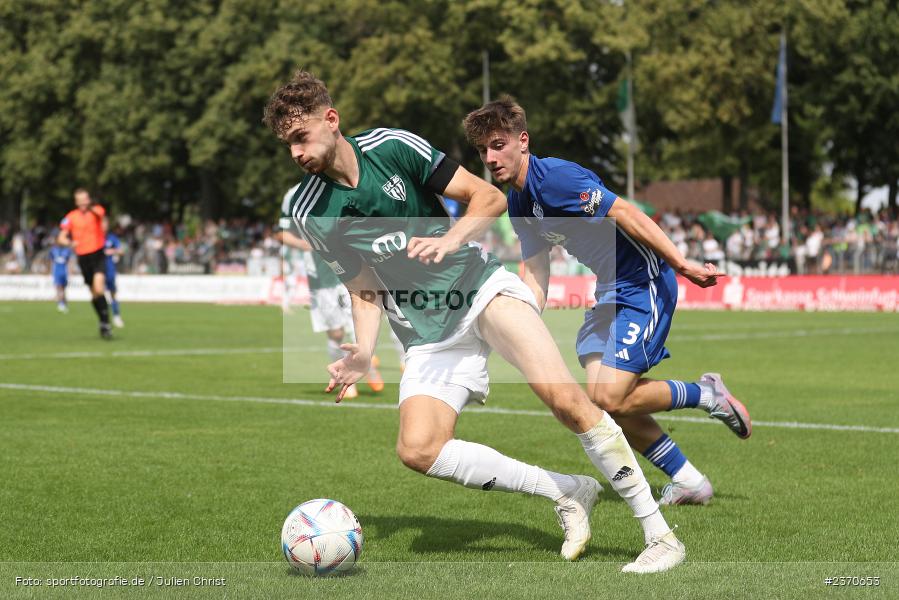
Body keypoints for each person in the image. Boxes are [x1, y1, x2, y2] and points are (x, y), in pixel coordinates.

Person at [263, 71, 684, 572]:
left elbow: (489, 197)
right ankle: (569, 492)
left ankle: (660, 536)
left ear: (331, 121)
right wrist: (361, 351)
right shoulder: (313, 213)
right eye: (287, 143)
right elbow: (362, 286)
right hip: (424, 333)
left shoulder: (392, 147)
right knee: (418, 449)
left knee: (568, 402)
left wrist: (449, 240)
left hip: (481, 290)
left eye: (300, 137)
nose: (295, 152)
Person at [462, 97, 751, 507]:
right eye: (482, 150)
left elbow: (627, 213)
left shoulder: (556, 180)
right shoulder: (519, 203)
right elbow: (535, 270)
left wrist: (681, 263)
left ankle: (706, 395)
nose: (490, 158)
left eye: (497, 144)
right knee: (602, 402)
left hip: (644, 283)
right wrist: (521, 324)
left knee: (611, 396)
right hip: (611, 291)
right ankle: (690, 481)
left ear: (522, 141)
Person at [277, 183, 389, 399]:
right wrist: (309, 244)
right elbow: (282, 234)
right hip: (319, 275)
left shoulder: (347, 186)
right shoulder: (293, 195)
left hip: (352, 269)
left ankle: (362, 362)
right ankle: (359, 364)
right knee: (335, 331)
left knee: (358, 321)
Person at [57, 188, 112, 338]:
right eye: (80, 200)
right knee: (94, 293)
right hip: (83, 257)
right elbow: (61, 238)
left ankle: (106, 323)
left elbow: (102, 217)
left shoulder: (97, 211)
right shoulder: (71, 217)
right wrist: (69, 243)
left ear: (89, 199)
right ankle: (102, 321)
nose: (83, 203)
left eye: (85, 199)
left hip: (98, 254)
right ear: (76, 202)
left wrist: (92, 207)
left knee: (99, 288)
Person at [104, 229, 125, 328]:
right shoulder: (95, 237)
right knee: (99, 294)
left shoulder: (112, 238)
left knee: (112, 293)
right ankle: (104, 319)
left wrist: (112, 251)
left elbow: (121, 251)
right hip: (98, 270)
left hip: (110, 270)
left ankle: (116, 315)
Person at [49, 239, 72, 313]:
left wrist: (70, 271)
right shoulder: (53, 250)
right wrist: (50, 271)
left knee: (63, 289)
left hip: (64, 272)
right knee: (59, 288)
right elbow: (51, 261)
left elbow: (69, 262)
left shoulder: (67, 251)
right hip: (57, 272)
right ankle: (60, 303)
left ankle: (63, 303)